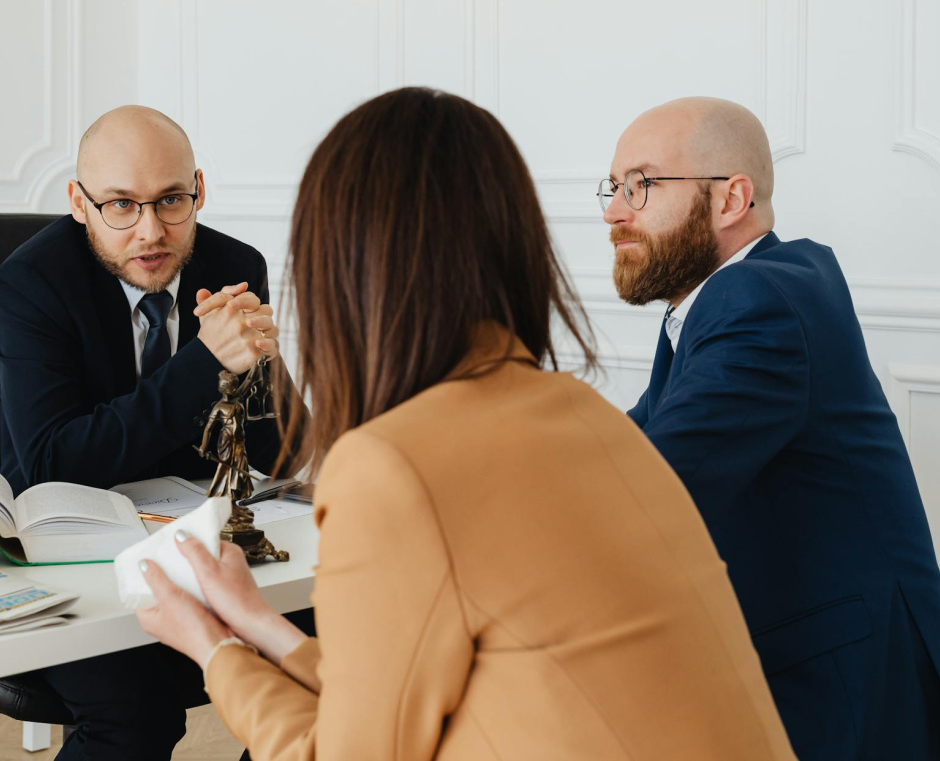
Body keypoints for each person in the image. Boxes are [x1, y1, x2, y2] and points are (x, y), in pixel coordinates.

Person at [134, 87, 795, 760]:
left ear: (342, 265)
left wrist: (214, 650)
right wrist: (255, 622)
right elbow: (400, 696)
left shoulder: (391, 465)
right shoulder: (585, 414)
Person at [601, 96, 940, 760]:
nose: (614, 211)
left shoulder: (755, 299)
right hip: (812, 652)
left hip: (849, 685)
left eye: (640, 185)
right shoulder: (728, 298)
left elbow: (649, 487)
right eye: (613, 188)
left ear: (732, 199)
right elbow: (629, 441)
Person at [0, 105, 309, 760]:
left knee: (332, 662)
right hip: (62, 545)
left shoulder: (234, 264)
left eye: (172, 200)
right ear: (78, 203)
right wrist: (203, 363)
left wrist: (266, 373)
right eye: (120, 205)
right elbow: (55, 460)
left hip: (191, 532)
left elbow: (273, 452)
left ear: (198, 188)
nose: (150, 231)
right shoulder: (29, 283)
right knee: (136, 715)